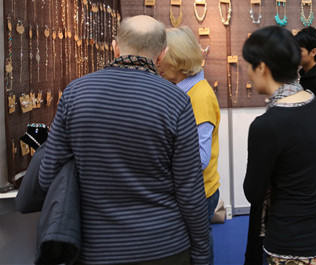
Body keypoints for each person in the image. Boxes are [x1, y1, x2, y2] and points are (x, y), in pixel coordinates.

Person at [39, 15, 209, 265]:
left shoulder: (75, 94)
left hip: (96, 248)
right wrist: (203, 251)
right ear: (162, 54)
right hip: (164, 245)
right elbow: (189, 190)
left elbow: (47, 176)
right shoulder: (176, 102)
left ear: (115, 47)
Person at [242, 26, 316, 265]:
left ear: (262, 67)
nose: (247, 72)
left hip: (294, 245)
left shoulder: (266, 125)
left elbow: (253, 192)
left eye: (249, 65)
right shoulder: (315, 105)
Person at [158, 26, 221, 265]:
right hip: (191, 190)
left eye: (161, 57)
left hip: (199, 192)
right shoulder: (183, 91)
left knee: (199, 249)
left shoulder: (199, 97)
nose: (157, 63)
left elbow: (200, 158)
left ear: (176, 60)